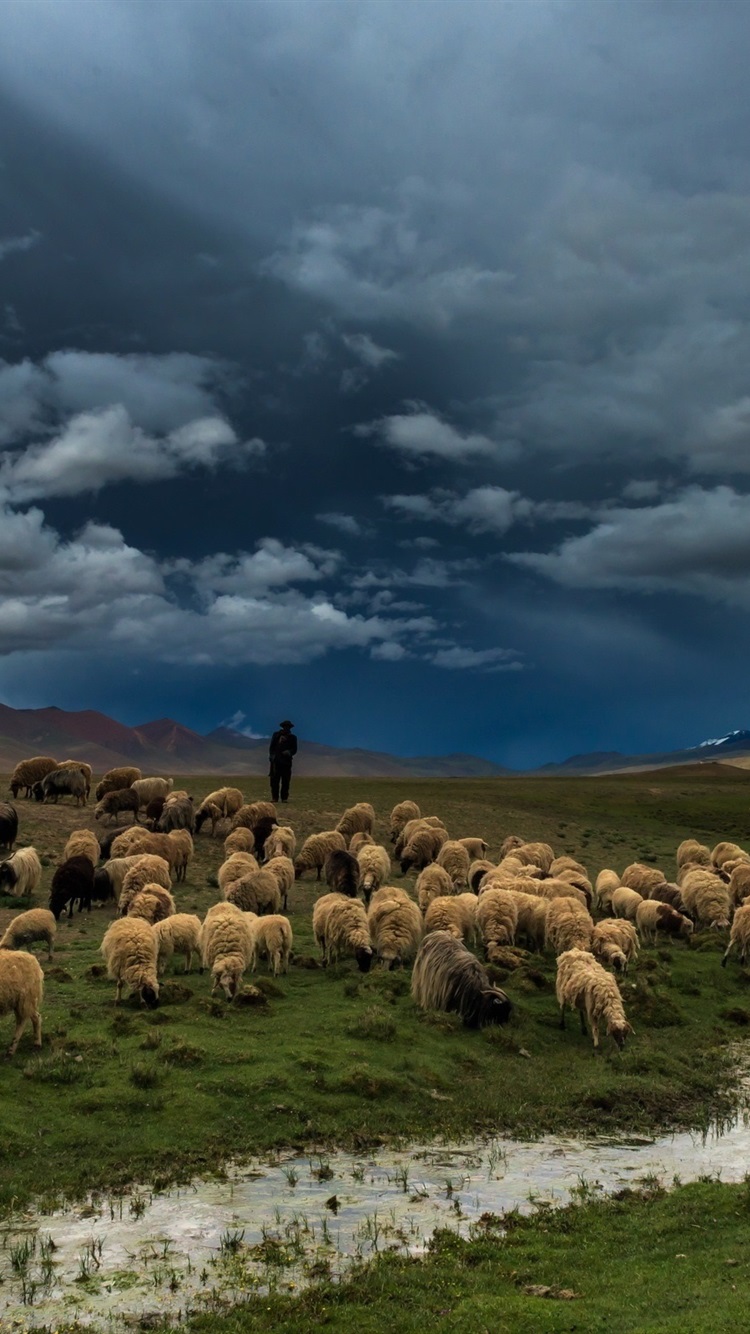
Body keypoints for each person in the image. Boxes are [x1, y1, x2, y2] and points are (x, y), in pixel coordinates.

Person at [269, 720, 298, 803]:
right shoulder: (276, 735)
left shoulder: (292, 737)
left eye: (288, 727)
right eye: (285, 727)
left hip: (286, 763)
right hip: (276, 762)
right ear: (282, 727)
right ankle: (275, 798)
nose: (286, 728)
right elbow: (272, 748)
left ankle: (284, 798)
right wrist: (272, 757)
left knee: (285, 781)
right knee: (274, 781)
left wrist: (288, 752)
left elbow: (294, 749)